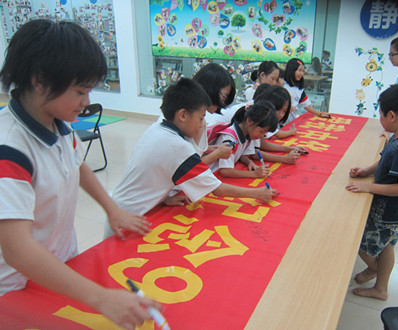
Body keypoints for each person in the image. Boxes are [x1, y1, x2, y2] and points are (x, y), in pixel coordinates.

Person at [0, 19, 160, 329]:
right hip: (16, 288)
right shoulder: (10, 149)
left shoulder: (58, 123)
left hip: (58, 268)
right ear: (39, 81)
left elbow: (78, 165)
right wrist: (100, 297)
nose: (87, 102)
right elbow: (18, 250)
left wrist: (112, 209)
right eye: (80, 91)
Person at [111, 78, 275, 220]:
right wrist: (257, 193)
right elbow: (217, 189)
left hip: (127, 205)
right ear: (182, 115)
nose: (202, 124)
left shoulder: (157, 128)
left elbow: (151, 173)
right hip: (128, 215)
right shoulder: (177, 146)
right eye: (201, 117)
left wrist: (162, 197)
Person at [345, 84, 398, 301]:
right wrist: (366, 171)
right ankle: (381, 287)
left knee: (358, 241)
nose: (379, 117)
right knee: (387, 245)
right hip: (395, 211)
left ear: (391, 115)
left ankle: (376, 270)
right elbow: (385, 160)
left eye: (380, 113)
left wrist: (368, 186)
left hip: (389, 212)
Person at [210, 100, 278, 178]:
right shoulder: (229, 138)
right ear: (249, 121)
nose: (262, 136)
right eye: (261, 131)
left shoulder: (248, 134)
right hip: (213, 176)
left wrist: (249, 162)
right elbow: (225, 171)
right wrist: (255, 174)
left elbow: (240, 154)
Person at [192, 63, 236, 165]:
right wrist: (217, 154)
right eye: (224, 96)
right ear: (211, 88)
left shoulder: (199, 119)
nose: (223, 103)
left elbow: (192, 150)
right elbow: (191, 167)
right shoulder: (192, 122)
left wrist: (207, 149)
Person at [283, 58, 330, 124]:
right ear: (291, 70)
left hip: (290, 123)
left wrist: (319, 114)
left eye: (303, 71)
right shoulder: (282, 84)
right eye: (299, 70)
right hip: (278, 123)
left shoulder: (299, 89)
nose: (301, 74)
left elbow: (307, 105)